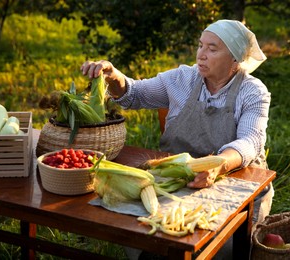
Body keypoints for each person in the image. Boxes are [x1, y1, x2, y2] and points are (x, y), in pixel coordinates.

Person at [81, 19, 274, 259]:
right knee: (143, 230)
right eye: (200, 45)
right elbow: (134, 94)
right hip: (180, 181)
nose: (201, 55)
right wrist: (112, 76)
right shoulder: (182, 79)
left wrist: (216, 166)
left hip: (237, 185)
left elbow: (250, 141)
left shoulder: (253, 91)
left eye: (212, 49)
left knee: (217, 244)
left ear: (235, 59)